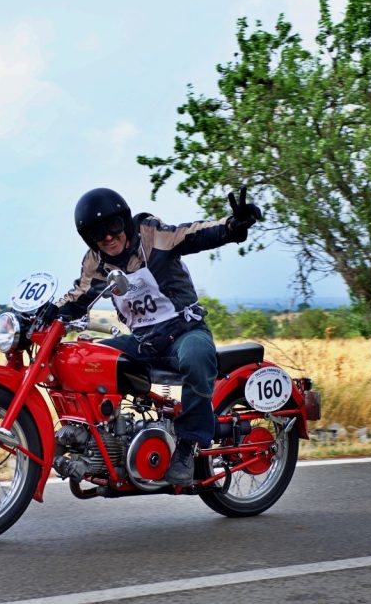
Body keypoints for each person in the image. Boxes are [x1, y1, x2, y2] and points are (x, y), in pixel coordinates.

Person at [56, 186, 262, 486]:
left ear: (124, 222)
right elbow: (76, 297)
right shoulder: (96, 262)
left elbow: (193, 234)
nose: (108, 237)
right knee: (86, 358)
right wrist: (44, 314)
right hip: (143, 342)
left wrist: (231, 226)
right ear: (90, 239)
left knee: (197, 357)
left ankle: (187, 446)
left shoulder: (151, 236)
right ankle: (101, 441)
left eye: (113, 226)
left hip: (184, 332)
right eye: (98, 233)